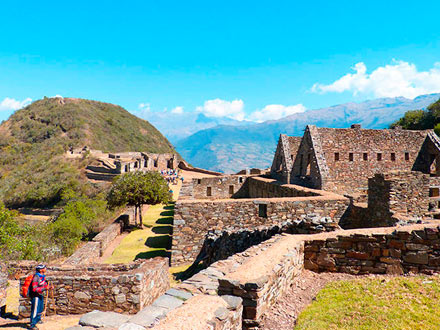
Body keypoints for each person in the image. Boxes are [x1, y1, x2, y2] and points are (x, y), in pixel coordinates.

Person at [29, 264, 52, 329]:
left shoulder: (42, 277)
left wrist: (49, 287)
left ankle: (38, 319)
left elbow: (44, 285)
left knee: (40, 308)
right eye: (44, 268)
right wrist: (45, 288)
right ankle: (32, 324)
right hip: (35, 295)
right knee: (35, 310)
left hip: (40, 294)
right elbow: (34, 289)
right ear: (41, 270)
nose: (45, 269)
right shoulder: (36, 277)